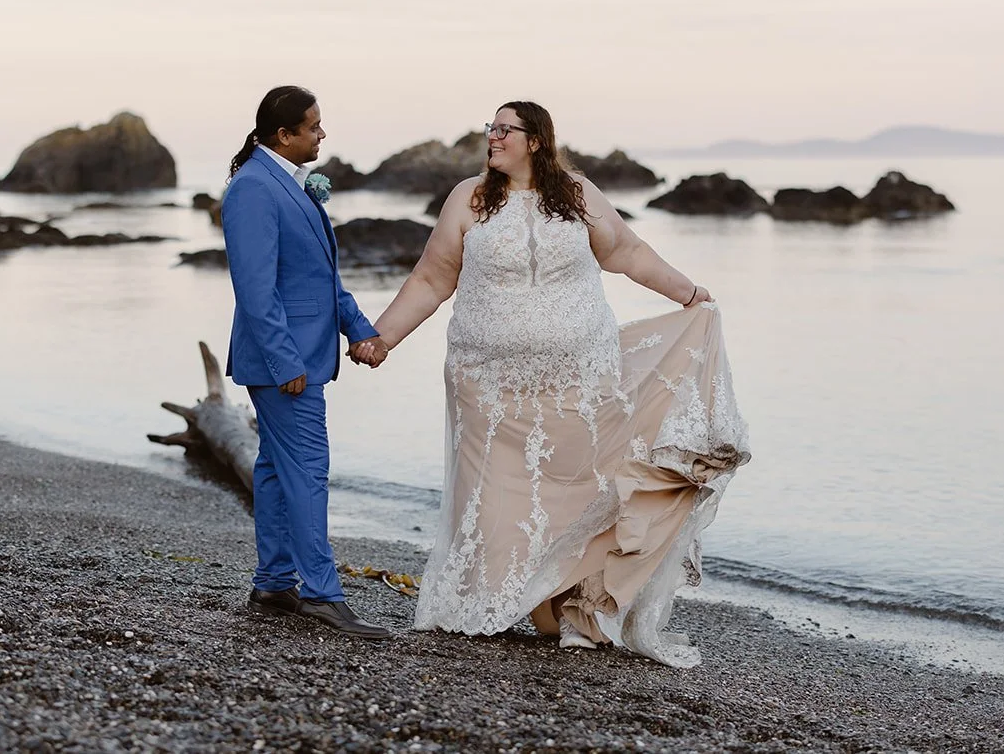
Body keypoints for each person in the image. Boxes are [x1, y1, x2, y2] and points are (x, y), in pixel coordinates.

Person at [370, 101, 750, 666]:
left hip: (579, 383)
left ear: (536, 141)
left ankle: (568, 600)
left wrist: (688, 293)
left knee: (580, 492)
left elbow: (626, 252)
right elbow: (431, 278)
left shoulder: (577, 194)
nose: (492, 137)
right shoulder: (468, 199)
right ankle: (489, 600)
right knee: (494, 501)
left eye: (504, 129)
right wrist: (381, 338)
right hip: (487, 387)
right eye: (491, 128)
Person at [222, 85, 393, 641]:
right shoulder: (253, 188)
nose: (322, 134)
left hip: (301, 356)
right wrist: (284, 360)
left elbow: (321, 280)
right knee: (308, 470)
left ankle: (275, 584)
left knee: (277, 468)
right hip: (285, 363)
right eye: (314, 126)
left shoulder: (291, 184)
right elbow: (255, 289)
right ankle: (321, 593)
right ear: (284, 135)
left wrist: (361, 329)